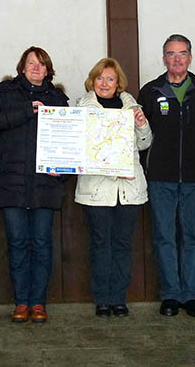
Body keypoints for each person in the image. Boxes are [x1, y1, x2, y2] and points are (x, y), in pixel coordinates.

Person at [0, 46, 69, 323]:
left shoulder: (58, 98)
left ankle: (39, 303)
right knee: (17, 243)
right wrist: (26, 110)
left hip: (45, 184)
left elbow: (70, 141)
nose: (35, 68)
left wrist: (63, 171)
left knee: (42, 244)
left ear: (48, 70)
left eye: (41, 64)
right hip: (11, 182)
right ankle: (21, 302)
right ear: (22, 67)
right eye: (31, 63)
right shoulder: (5, 92)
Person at [138, 34, 195, 318]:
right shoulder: (150, 91)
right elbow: (141, 136)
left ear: (190, 58)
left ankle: (191, 296)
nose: (177, 59)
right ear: (164, 58)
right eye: (171, 54)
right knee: (164, 237)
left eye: (182, 54)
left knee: (193, 238)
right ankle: (170, 295)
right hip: (160, 178)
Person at [75, 58, 151, 317]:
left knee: (122, 245)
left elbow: (144, 143)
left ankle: (119, 298)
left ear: (118, 82)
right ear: (92, 81)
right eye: (99, 78)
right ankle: (102, 299)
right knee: (100, 245)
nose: (104, 83)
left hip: (128, 190)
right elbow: (76, 148)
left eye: (110, 79)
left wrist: (141, 123)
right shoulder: (82, 108)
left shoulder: (131, 105)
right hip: (97, 190)